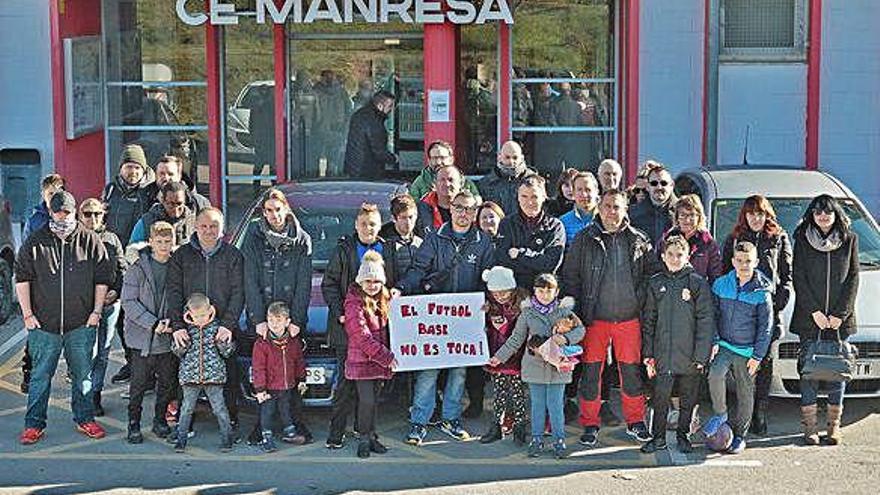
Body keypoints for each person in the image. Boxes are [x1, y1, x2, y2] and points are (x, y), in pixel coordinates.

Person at [397, 190, 494, 446]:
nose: (464, 214)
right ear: (451, 208)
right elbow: (418, 269)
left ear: (476, 212)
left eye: (470, 209)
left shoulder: (483, 242)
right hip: (434, 322)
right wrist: (402, 288)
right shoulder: (434, 238)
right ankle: (419, 421)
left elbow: (488, 279)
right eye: (460, 208)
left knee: (459, 373)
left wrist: (488, 302)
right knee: (428, 373)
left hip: (465, 322)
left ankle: (451, 419)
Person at [16, 191, 113, 445]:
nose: (62, 217)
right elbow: (22, 279)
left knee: (83, 376)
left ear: (74, 212)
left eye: (66, 212)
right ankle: (33, 424)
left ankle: (85, 419)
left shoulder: (91, 240)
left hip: (81, 324)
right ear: (50, 211)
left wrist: (96, 312)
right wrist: (27, 315)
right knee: (40, 376)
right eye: (57, 212)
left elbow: (102, 279)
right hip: (43, 324)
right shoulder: (35, 242)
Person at [561, 189, 655, 447]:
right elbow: (571, 278)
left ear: (626, 209)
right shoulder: (583, 239)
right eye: (607, 206)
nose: (612, 212)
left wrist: (640, 303)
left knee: (631, 373)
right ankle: (589, 423)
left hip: (629, 319)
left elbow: (650, 277)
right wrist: (575, 314)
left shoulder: (639, 240)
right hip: (595, 320)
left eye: (617, 207)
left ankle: (636, 421)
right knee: (591, 374)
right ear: (599, 208)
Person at [322, 203, 398, 449]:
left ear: (380, 226)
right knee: (345, 387)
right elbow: (329, 284)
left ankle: (363, 430)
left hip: (378, 329)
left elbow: (393, 281)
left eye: (373, 224)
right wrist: (341, 312)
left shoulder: (387, 248)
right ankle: (336, 433)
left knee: (372, 390)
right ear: (356, 225)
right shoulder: (344, 249)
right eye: (364, 224)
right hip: (349, 329)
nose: (368, 228)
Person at [242, 189, 313, 443]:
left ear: (286, 209)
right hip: (264, 319)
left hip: (288, 319)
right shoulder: (254, 236)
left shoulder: (302, 239)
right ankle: (262, 428)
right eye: (269, 210)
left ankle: (294, 425)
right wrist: (258, 319)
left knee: (289, 377)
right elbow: (249, 278)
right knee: (264, 374)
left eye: (278, 209)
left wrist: (296, 320)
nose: (274, 215)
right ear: (264, 212)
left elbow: (304, 284)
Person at [167, 208, 245, 440]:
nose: (209, 231)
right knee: (186, 377)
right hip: (189, 327)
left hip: (222, 327)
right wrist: (178, 325)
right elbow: (173, 291)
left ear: (222, 229)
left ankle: (230, 423)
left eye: (214, 226)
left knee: (228, 376)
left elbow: (239, 292)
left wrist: (228, 324)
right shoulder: (181, 255)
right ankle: (185, 424)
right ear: (196, 227)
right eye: (204, 226)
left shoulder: (233, 256)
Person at [489, 273, 586, 459]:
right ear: (534, 291)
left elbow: (581, 330)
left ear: (556, 292)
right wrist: (499, 357)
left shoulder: (565, 311)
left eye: (549, 291)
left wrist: (565, 338)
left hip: (558, 367)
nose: (544, 294)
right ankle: (536, 440)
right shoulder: (527, 313)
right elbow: (516, 338)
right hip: (534, 366)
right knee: (537, 405)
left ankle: (559, 440)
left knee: (556, 405)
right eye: (540, 291)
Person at [721, 195, 793, 435]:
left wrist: (776, 306)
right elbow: (724, 276)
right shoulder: (734, 239)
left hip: (767, 314)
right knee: (740, 365)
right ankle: (742, 411)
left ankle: (759, 413)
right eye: (751, 213)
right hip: (739, 315)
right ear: (745, 215)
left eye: (760, 213)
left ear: (767, 215)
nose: (755, 218)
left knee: (763, 363)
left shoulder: (779, 238)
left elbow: (786, 277)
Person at [791, 195, 859, 446]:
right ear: (812, 214)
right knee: (809, 370)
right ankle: (809, 427)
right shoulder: (802, 238)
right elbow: (798, 276)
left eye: (828, 212)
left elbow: (853, 277)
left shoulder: (850, 239)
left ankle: (833, 427)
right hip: (811, 318)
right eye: (818, 212)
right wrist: (815, 313)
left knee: (836, 371)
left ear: (835, 214)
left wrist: (840, 315)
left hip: (840, 320)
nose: (823, 216)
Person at [639, 235, 715, 454]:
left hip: (690, 356)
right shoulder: (655, 283)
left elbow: (706, 320)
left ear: (687, 256)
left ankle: (683, 436)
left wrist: (701, 356)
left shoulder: (697, 282)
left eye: (679, 254)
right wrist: (648, 354)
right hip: (662, 356)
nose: (674, 258)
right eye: (670, 254)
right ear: (662, 256)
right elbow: (649, 321)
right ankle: (658, 437)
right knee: (660, 399)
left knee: (687, 400)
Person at [703, 241, 773, 455]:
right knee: (715, 374)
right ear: (733, 261)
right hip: (724, 345)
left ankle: (740, 435)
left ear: (756, 262)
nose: (744, 265)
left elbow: (766, 327)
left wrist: (758, 355)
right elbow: (712, 315)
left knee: (745, 391)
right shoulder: (721, 284)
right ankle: (721, 413)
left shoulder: (762, 291)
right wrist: (714, 340)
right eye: (740, 261)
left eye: (748, 261)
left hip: (748, 351)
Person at [104, 144, 157, 385]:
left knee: (140, 317)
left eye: (136, 167)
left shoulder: (150, 192)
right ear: (121, 168)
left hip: (140, 263)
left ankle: (147, 370)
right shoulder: (111, 190)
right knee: (120, 318)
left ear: (143, 168)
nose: (132, 172)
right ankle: (132, 362)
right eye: (128, 167)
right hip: (115, 262)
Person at [121, 221, 177, 444]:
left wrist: (173, 323)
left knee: (166, 384)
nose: (164, 246)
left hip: (167, 337)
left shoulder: (176, 266)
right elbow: (129, 302)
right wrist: (153, 323)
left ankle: (159, 420)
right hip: (142, 338)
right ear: (151, 241)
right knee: (138, 386)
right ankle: (133, 424)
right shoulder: (137, 268)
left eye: (168, 241)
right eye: (159, 241)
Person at [343, 251, 398, 458]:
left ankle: (372, 435)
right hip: (363, 361)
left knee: (374, 400)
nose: (372, 285)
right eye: (368, 281)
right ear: (360, 281)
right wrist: (387, 357)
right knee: (366, 401)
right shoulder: (353, 301)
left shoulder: (385, 299)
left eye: (376, 281)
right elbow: (360, 335)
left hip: (379, 361)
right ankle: (364, 438)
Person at [79, 198, 126, 417]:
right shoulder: (74, 239)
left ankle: (95, 394)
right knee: (87, 353)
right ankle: (84, 394)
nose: (92, 218)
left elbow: (122, 268)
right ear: (80, 216)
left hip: (109, 305)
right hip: (83, 307)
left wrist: (116, 290)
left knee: (103, 352)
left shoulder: (112, 239)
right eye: (87, 214)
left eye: (97, 213)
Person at [171, 293, 236, 453]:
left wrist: (223, 344)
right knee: (186, 409)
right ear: (189, 313)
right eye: (196, 316)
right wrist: (181, 345)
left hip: (214, 377)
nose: (200, 319)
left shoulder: (218, 328)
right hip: (190, 378)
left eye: (203, 315)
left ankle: (227, 438)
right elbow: (177, 351)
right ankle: (181, 439)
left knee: (219, 409)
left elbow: (228, 352)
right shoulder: (186, 330)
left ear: (211, 311)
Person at [20, 174, 67, 394]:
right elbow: (25, 255)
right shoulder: (35, 220)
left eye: (57, 194)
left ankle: (72, 370)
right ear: (43, 195)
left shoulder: (68, 214)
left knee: (68, 331)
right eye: (50, 195)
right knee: (36, 334)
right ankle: (29, 373)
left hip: (65, 284)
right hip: (40, 285)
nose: (53, 199)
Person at [479, 266, 529, 446]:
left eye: (503, 293)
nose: (499, 297)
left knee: (517, 393)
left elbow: (519, 334)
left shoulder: (522, 306)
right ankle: (496, 427)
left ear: (512, 289)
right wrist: (483, 315)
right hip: (495, 355)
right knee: (499, 392)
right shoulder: (490, 305)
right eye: (495, 293)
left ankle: (520, 427)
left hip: (515, 356)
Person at [252, 301, 308, 452]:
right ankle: (266, 436)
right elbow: (258, 368)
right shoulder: (262, 344)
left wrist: (302, 379)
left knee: (286, 409)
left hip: (287, 385)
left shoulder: (293, 342)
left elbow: (298, 361)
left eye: (278, 320)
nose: (274, 324)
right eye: (271, 320)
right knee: (267, 411)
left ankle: (290, 432)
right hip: (269, 387)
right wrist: (260, 389)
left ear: (287, 322)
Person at [495, 174, 566, 288]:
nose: (529, 202)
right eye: (524, 196)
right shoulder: (506, 224)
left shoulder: (555, 226)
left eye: (534, 197)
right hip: (515, 292)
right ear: (518, 197)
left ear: (543, 197)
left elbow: (550, 264)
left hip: (544, 294)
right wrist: (537, 261)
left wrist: (520, 254)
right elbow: (503, 260)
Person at [658, 194, 723, 284]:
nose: (687, 220)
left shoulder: (708, 243)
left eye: (692, 215)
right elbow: (656, 267)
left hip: (697, 292)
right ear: (677, 217)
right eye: (683, 215)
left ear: (699, 217)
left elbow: (716, 275)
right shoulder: (666, 239)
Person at [343, 90, 398, 179]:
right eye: (390, 106)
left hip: (354, 168)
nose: (391, 110)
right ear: (380, 106)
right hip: (367, 171)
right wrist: (394, 158)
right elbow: (379, 151)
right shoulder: (374, 122)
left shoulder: (361, 114)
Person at [477, 140, 536, 217]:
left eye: (515, 157)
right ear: (499, 157)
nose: (511, 161)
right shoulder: (486, 184)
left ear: (522, 158)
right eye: (507, 157)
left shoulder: (533, 181)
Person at [128, 181, 197, 246]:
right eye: (171, 204)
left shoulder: (193, 222)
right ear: (162, 201)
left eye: (179, 204)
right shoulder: (146, 222)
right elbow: (132, 251)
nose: (176, 210)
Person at [408, 140, 480, 202]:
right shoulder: (420, 182)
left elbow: (477, 201)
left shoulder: (465, 182)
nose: (439, 162)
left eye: (442, 158)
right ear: (429, 161)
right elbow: (412, 207)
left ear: (451, 159)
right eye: (435, 158)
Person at [629, 161, 676, 244]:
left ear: (672, 185)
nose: (659, 187)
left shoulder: (682, 212)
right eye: (654, 183)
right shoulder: (632, 214)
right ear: (647, 186)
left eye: (664, 183)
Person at [379, 194, 423, 280]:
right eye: (403, 218)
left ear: (416, 216)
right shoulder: (382, 243)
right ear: (394, 218)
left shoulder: (420, 243)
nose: (408, 222)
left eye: (411, 217)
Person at [145, 155, 210, 212]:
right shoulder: (143, 198)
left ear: (179, 176)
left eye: (170, 174)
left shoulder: (199, 202)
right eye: (161, 174)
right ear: (156, 175)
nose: (166, 178)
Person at [416, 164, 465, 235]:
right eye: (442, 180)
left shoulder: (471, 210)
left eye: (451, 180)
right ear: (435, 183)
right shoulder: (420, 211)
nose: (447, 184)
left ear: (461, 184)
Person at [559, 171, 599, 246]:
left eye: (588, 190)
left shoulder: (607, 218)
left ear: (596, 192)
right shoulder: (563, 222)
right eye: (579, 190)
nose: (584, 194)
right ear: (573, 193)